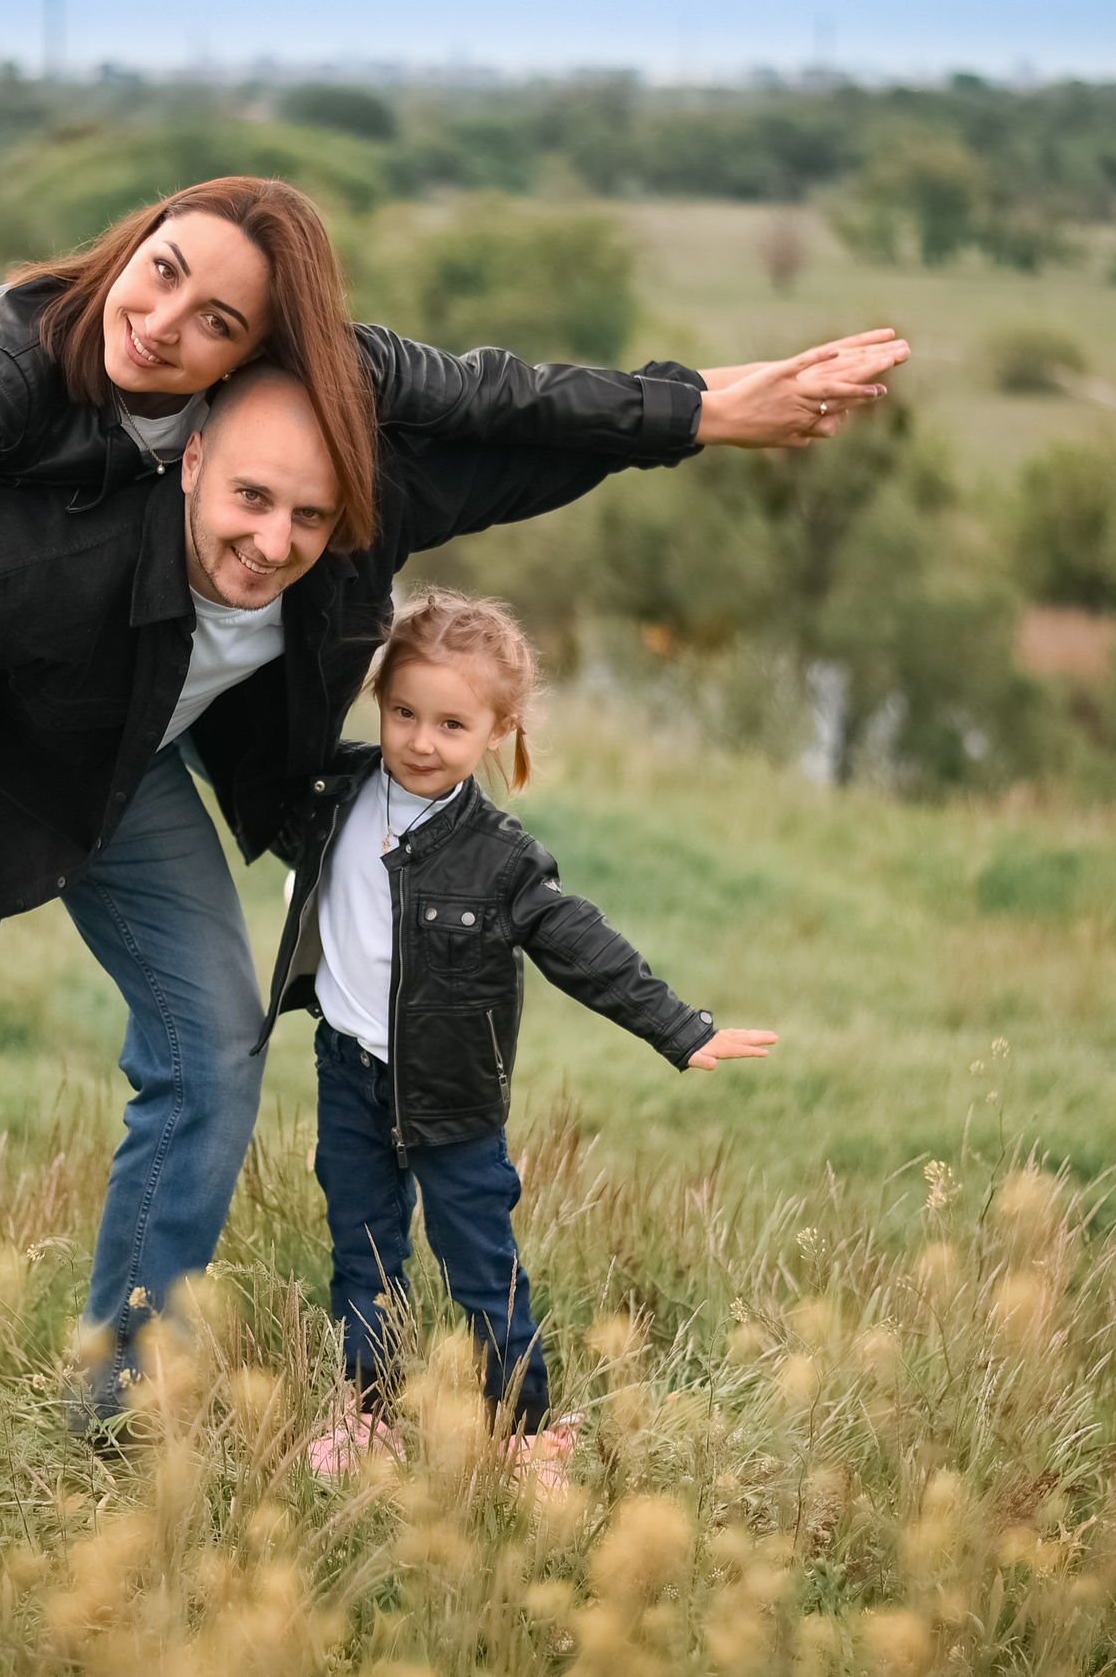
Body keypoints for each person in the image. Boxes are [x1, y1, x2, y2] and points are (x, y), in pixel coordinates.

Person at [0, 176, 906, 1209]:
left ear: (255, 357)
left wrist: (709, 409)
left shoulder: (297, 397)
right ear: (134, 245)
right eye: (163, 271)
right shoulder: (5, 356)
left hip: (26, 682)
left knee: (172, 1017)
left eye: (218, 318)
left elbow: (515, 404)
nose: (164, 323)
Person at [256, 588, 773, 1491]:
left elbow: (583, 946)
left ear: (499, 730)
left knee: (480, 1267)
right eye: (404, 712)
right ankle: (368, 1413)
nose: (421, 740)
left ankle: (522, 1434)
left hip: (452, 1092)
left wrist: (682, 1029)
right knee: (363, 1253)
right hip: (347, 1072)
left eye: (452, 724)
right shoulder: (332, 790)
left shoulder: (500, 858)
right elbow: (260, 729)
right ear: (377, 700)